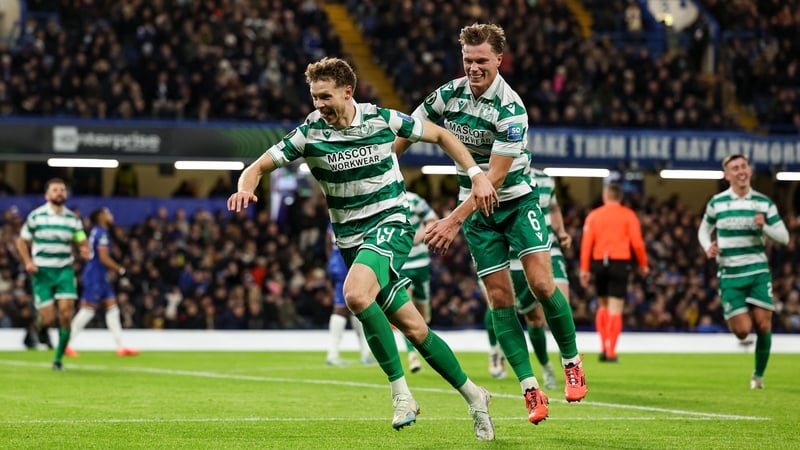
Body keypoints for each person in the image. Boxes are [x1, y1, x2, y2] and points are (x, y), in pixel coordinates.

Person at [227, 57, 498, 440]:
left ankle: (401, 394)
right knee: (415, 329)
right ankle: (475, 395)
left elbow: (440, 135)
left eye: (325, 96)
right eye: (314, 97)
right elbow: (255, 167)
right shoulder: (309, 133)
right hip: (352, 242)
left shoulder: (382, 119)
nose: (319, 104)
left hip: (391, 223)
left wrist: (475, 175)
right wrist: (245, 187)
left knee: (354, 294)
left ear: (347, 92)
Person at [395, 23, 588, 425]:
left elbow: (494, 181)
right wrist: (384, 165)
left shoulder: (512, 108)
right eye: (468, 59)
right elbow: (408, 132)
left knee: (540, 284)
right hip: (478, 217)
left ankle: (571, 361)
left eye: (482, 60)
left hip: (516, 202)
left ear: (500, 59)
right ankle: (530, 388)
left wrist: (450, 221)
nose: (473, 67)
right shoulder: (447, 94)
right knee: (500, 300)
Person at [697, 154, 789, 389]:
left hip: (757, 271)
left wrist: (765, 226)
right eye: (734, 168)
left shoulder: (763, 203)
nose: (740, 170)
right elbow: (703, 231)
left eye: (743, 166)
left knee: (764, 325)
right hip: (730, 274)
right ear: (727, 175)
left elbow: (784, 237)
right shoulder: (717, 203)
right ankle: (742, 331)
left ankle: (758, 376)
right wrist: (709, 246)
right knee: (742, 331)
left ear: (749, 170)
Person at [484, 168, 571, 391]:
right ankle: (545, 366)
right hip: (515, 256)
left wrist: (561, 232)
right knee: (534, 319)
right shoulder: (500, 175)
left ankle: (570, 362)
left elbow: (554, 207)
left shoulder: (546, 180)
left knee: (558, 298)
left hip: (549, 248)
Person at [16, 178, 90, 370]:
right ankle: (42, 328)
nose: (59, 193)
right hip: (42, 271)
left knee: (66, 314)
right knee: (48, 318)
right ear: (47, 195)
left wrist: (84, 249)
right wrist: (28, 262)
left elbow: (81, 239)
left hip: (64, 269)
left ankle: (57, 359)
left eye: (62, 190)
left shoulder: (72, 219)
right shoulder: (36, 216)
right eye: (55, 190)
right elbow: (22, 241)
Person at [579, 182, 649, 362]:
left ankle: (603, 347)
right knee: (615, 308)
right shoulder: (628, 215)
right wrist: (643, 264)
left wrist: (584, 269)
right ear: (620, 197)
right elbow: (637, 243)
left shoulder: (594, 216)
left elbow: (587, 243)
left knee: (602, 306)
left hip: (599, 262)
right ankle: (611, 351)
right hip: (620, 262)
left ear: (606, 195)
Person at [66, 208, 139, 357]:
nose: (111, 216)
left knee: (113, 309)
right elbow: (103, 258)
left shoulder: (96, 231)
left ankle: (120, 347)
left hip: (100, 276)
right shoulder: (102, 233)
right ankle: (66, 344)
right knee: (88, 310)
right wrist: (120, 270)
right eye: (108, 213)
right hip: (95, 276)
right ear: (101, 217)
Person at [397, 191, 438, 373]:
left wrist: (420, 235)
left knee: (424, 314)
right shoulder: (385, 199)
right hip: (400, 263)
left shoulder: (414, 199)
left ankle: (421, 344)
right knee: (407, 308)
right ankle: (412, 354)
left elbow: (432, 219)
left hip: (420, 262)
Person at [325, 223, 373, 366]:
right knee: (342, 307)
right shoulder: (355, 214)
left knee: (356, 305)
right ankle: (333, 354)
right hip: (345, 262)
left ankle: (365, 352)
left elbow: (328, 241)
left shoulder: (335, 215)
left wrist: (330, 261)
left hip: (337, 261)